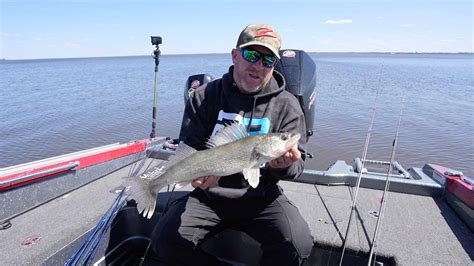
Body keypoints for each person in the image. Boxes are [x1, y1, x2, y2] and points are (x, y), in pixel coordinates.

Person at [151, 23, 313, 265]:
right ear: (235, 55)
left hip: (262, 198)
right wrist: (197, 178)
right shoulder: (205, 96)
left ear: (274, 65)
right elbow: (189, 148)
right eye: (251, 55)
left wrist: (283, 166)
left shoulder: (287, 105)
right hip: (209, 196)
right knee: (165, 241)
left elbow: (296, 168)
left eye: (268, 60)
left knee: (297, 244)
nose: (258, 66)